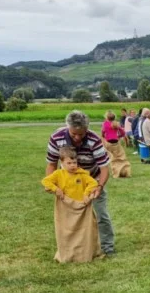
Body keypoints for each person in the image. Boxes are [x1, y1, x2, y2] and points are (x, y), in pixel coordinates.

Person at [44, 110, 116, 256]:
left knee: (101, 215)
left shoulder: (94, 139)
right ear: (68, 128)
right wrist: (53, 186)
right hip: (68, 185)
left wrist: (99, 187)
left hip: (92, 182)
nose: (77, 138)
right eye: (73, 134)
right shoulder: (56, 138)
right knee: (69, 219)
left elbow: (104, 168)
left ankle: (107, 246)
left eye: (81, 134)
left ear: (87, 129)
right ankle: (71, 249)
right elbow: (51, 164)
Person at [41, 146, 102, 263]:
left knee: (83, 231)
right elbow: (45, 181)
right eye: (69, 163)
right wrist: (56, 189)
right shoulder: (58, 174)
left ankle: (83, 255)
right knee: (66, 231)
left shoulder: (82, 174)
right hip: (65, 207)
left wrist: (86, 193)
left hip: (81, 208)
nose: (73, 165)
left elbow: (93, 183)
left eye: (75, 163)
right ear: (62, 162)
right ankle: (67, 254)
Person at [101, 110, 132, 178]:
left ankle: (116, 174)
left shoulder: (105, 124)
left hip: (108, 143)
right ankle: (125, 172)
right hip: (116, 142)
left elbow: (103, 132)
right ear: (114, 117)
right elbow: (123, 132)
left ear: (106, 117)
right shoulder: (116, 124)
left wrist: (104, 137)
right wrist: (118, 136)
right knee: (122, 158)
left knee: (113, 159)